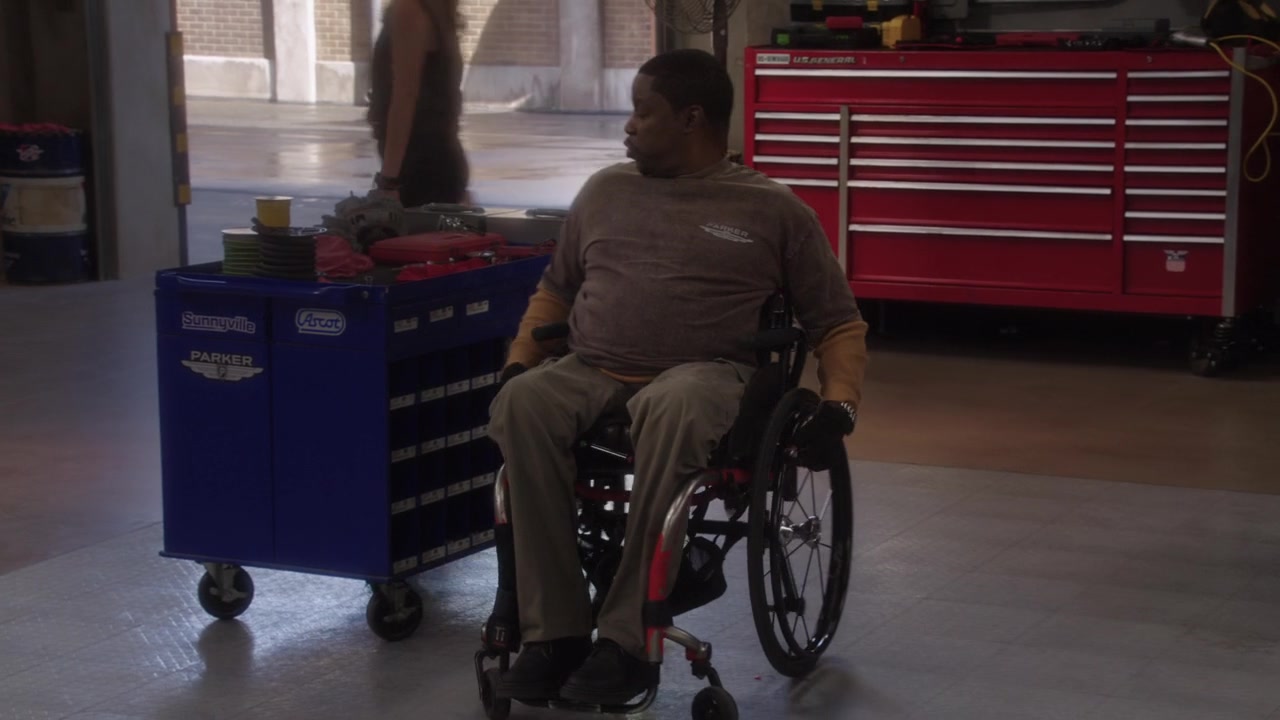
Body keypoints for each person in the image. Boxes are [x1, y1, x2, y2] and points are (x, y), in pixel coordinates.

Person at [486, 48, 869, 706]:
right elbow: (556, 291)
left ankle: (627, 641)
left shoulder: (772, 209)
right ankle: (555, 634)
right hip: (592, 367)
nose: (628, 126)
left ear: (691, 119)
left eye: (643, 113)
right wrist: (521, 357)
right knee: (522, 401)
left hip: (705, 375)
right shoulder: (605, 191)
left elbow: (836, 322)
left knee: (676, 404)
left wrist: (840, 403)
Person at [366, 0, 470, 207]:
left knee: (409, 226)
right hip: (437, 159)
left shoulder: (410, 10)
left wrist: (389, 181)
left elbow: (405, 96)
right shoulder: (438, 12)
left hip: (416, 166)